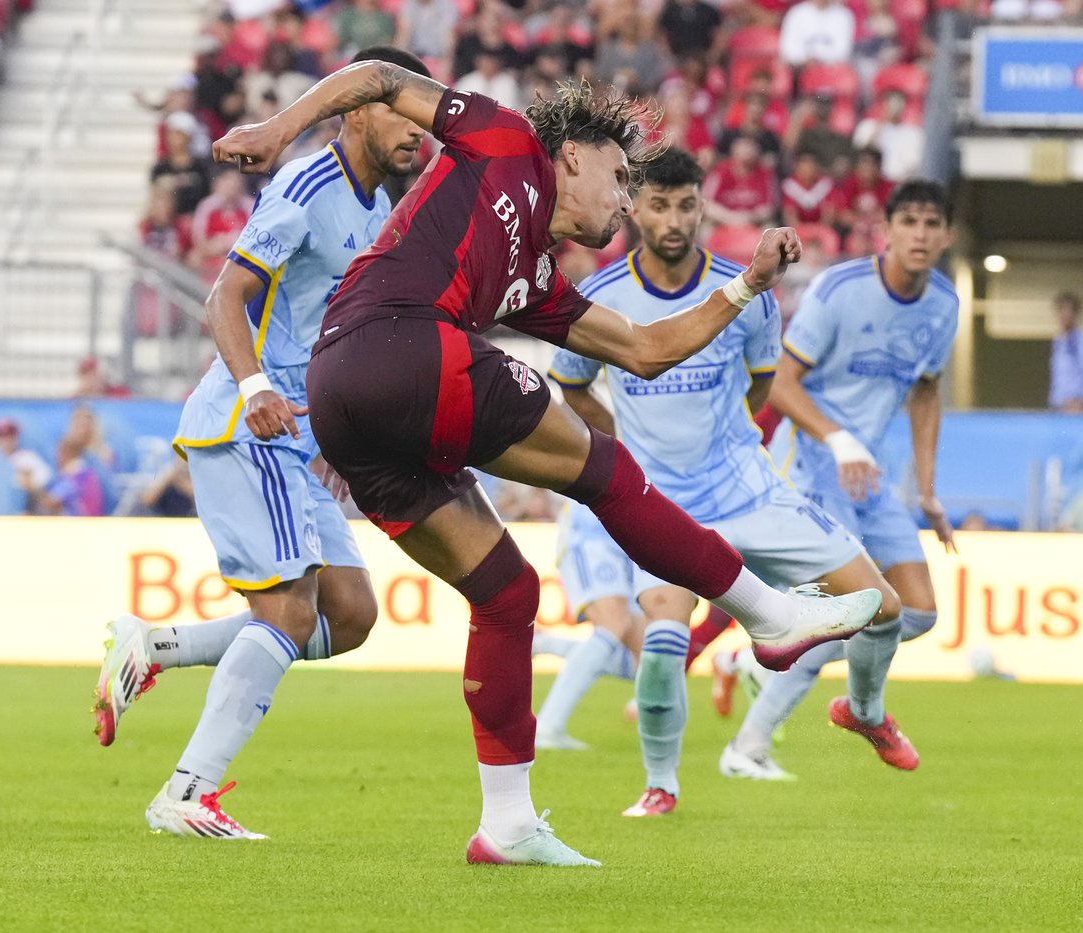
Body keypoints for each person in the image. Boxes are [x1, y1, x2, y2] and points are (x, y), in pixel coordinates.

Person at [209, 65, 882, 865]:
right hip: (405, 343)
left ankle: (508, 822)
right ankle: (768, 616)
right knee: (605, 469)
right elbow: (381, 76)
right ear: (574, 155)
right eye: (621, 177)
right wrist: (278, 129)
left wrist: (749, 289)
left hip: (345, 397)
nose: (627, 201)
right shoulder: (503, 137)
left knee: (506, 591)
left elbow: (643, 349)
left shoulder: (534, 278)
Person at [91, 48, 433, 836]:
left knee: (347, 614)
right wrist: (257, 390)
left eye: (423, 115)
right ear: (354, 110)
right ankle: (185, 792)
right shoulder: (306, 186)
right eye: (400, 110)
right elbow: (225, 296)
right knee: (284, 611)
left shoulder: (381, 207)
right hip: (251, 422)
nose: (418, 129)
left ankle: (154, 645)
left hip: (304, 435)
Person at [548, 149, 903, 815]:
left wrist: (722, 444)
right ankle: (661, 785)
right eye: (659, 204)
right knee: (661, 644)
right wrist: (625, 447)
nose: (673, 218)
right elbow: (570, 387)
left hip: (748, 488)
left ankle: (865, 710)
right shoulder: (597, 297)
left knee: (883, 607)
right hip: (664, 503)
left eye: (686, 204)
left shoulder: (749, 294)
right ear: (633, 206)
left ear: (703, 205)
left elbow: (763, 385)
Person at [723, 180, 960, 780]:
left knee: (920, 613)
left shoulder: (944, 304)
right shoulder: (839, 290)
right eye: (909, 221)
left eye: (933, 224)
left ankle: (787, 671)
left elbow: (927, 391)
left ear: (947, 235)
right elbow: (780, 381)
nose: (921, 234)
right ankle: (747, 749)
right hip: (809, 465)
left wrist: (927, 488)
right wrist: (840, 439)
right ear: (886, 228)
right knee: (851, 611)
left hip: (869, 477)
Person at [534, 501, 643, 751]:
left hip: (631, 532)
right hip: (593, 525)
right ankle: (548, 728)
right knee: (614, 623)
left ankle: (540, 643)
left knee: (650, 656)